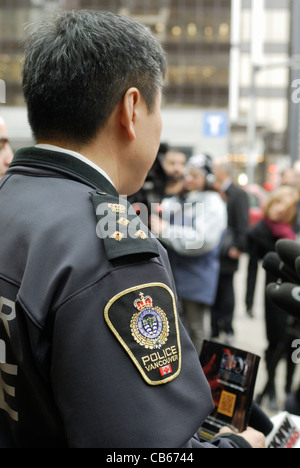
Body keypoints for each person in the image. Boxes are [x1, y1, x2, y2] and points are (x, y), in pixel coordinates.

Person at [0, 10, 264, 448]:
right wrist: (240, 446)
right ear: (132, 108)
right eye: (160, 109)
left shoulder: (11, 196)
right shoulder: (108, 249)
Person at [151, 154, 227, 354]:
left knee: (195, 328)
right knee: (177, 325)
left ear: (208, 179)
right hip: (177, 273)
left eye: (195, 175)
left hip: (196, 276)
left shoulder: (212, 203)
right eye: (188, 174)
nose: (189, 179)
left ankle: (198, 375)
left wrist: (165, 230)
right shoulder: (183, 198)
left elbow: (201, 240)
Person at [246, 186, 300, 410]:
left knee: (294, 347)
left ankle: (287, 388)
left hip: (295, 292)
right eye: (277, 204)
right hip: (273, 295)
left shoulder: (294, 229)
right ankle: (270, 389)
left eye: (285, 207)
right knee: (274, 344)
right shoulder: (259, 231)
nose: (280, 210)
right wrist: (248, 301)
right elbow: (251, 268)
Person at [211, 159, 249, 342]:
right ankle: (214, 327)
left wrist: (239, 246)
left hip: (229, 248)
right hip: (214, 249)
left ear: (222, 172)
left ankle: (227, 326)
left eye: (215, 169)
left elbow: (242, 222)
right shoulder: (215, 192)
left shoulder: (238, 194)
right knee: (214, 288)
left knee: (226, 289)